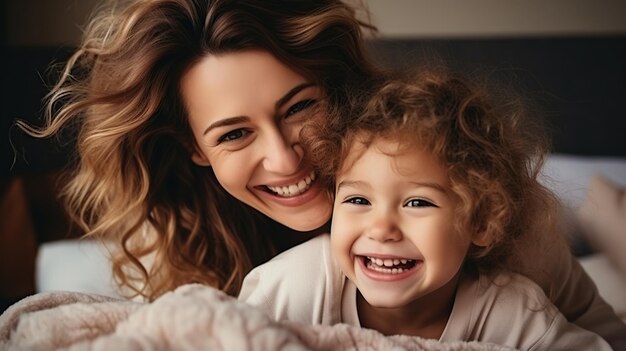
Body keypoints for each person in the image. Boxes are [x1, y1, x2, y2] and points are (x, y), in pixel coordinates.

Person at [17, 0, 626, 347]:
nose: (285, 161)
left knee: (594, 212)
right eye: (233, 134)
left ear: (338, 90)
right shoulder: (190, 242)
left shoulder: (501, 220)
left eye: (300, 107)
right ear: (196, 150)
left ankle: (603, 207)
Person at [238, 68, 614, 349]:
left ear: (481, 221)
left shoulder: (515, 313)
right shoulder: (291, 287)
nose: (382, 227)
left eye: (417, 202)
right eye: (357, 200)